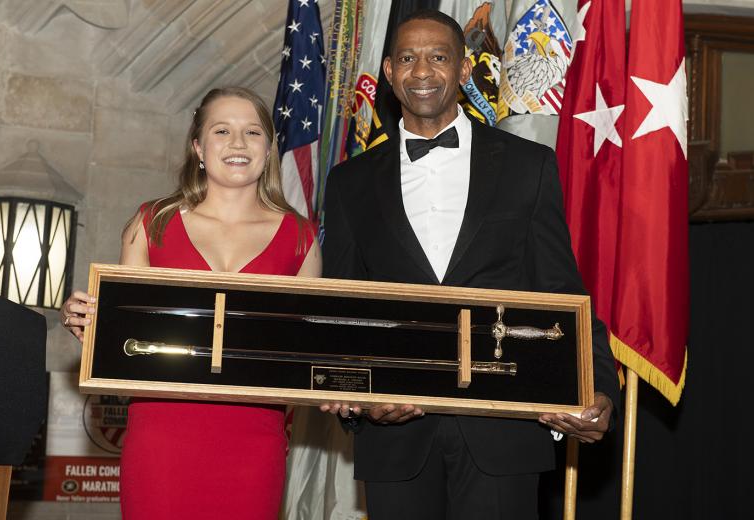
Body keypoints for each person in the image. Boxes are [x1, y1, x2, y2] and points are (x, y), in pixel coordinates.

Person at [320, 10, 620, 519]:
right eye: (408, 59)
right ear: (388, 72)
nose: (422, 72)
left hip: (504, 435)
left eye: (438, 57)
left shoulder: (529, 166)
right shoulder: (349, 182)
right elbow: (344, 309)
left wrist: (600, 389)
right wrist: (359, 400)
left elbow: (562, 295)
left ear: (463, 70)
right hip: (395, 442)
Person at [60, 86, 321, 519]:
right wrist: (91, 331)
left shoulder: (302, 239)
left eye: (253, 132)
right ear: (199, 147)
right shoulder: (152, 224)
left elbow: (306, 357)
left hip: (255, 441)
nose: (238, 143)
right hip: (161, 436)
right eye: (222, 130)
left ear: (269, 148)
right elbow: (124, 354)